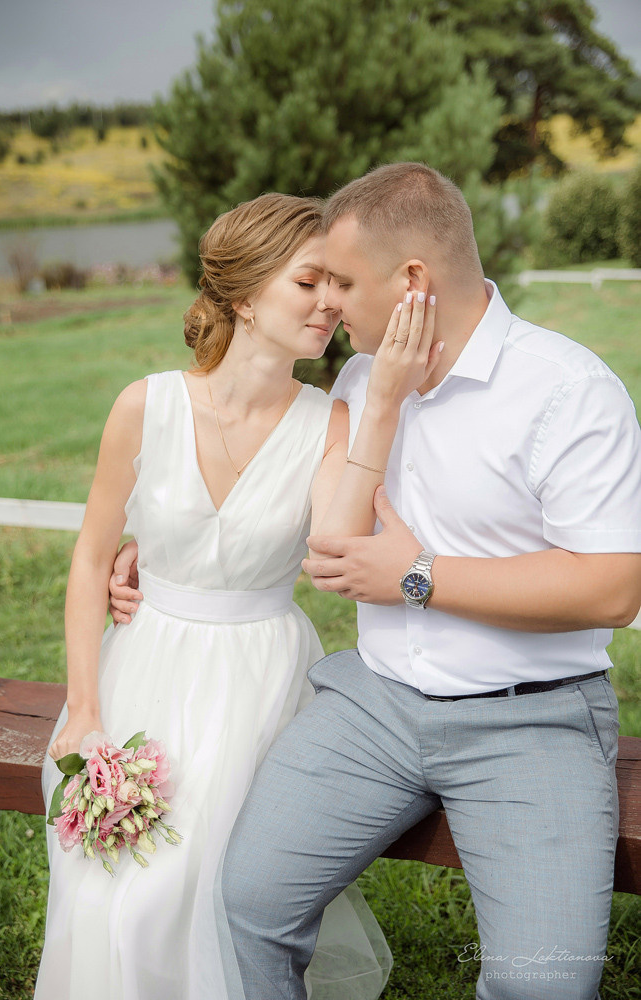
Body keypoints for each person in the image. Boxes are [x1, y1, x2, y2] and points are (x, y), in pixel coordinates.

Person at [205, 164, 640, 1000]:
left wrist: (417, 577)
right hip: (374, 705)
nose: (328, 302)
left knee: (543, 988)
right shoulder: (363, 378)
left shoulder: (568, 391)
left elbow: (611, 589)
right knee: (249, 903)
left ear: (411, 280)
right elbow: (323, 538)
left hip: (531, 719)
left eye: (342, 281)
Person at [35, 190, 444, 1000]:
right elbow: (90, 560)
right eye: (307, 283)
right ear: (245, 296)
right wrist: (83, 709)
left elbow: (331, 547)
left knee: (193, 890)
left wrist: (382, 408)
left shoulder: (328, 423)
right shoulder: (145, 404)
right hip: (142, 665)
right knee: (113, 898)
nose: (330, 303)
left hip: (257, 682)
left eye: (336, 285)